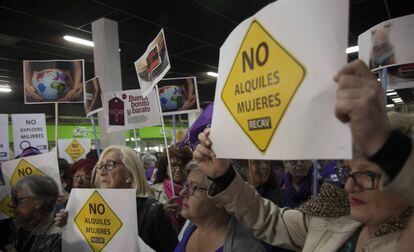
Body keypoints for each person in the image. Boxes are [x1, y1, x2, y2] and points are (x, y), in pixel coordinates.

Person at [195, 128, 412, 251]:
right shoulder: (332, 221)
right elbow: (270, 220)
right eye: (348, 171)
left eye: (366, 176)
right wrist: (225, 176)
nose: (349, 186)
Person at [56, 145, 178, 252]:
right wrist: (69, 228)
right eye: (100, 166)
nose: (102, 172)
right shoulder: (87, 208)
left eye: (109, 165)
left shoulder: (153, 212)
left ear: (129, 175)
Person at [174, 161, 266, 252]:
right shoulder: (192, 226)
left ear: (220, 199)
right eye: (186, 185)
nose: (182, 193)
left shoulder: (245, 247)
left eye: (193, 187)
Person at [0, 175, 61, 251]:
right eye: (12, 198)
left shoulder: (58, 238)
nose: (11, 204)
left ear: (39, 202)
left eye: (17, 200)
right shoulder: (9, 227)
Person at [152, 146, 193, 233]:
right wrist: (161, 213)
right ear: (165, 167)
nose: (178, 170)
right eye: (173, 165)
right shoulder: (153, 192)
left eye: (182, 165)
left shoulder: (197, 191)